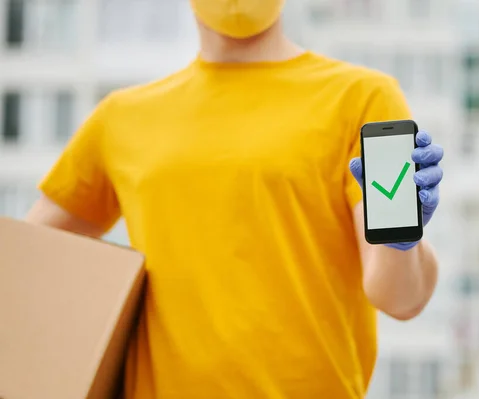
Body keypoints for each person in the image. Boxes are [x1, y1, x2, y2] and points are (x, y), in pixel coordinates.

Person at [25, 0, 445, 398]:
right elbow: (24, 264)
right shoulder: (120, 119)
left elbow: (399, 299)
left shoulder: (361, 98)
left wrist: (400, 240)